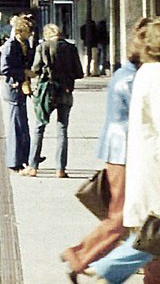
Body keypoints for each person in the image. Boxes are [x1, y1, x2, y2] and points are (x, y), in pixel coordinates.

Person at [62, 18, 145, 279]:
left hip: (119, 149)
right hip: (124, 151)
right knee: (121, 217)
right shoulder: (133, 78)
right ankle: (81, 254)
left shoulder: (125, 73)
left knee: (129, 216)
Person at [86, 17, 160, 283]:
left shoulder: (143, 73)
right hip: (149, 167)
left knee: (152, 238)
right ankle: (108, 266)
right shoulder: (154, 76)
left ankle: (109, 266)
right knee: (150, 234)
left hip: (139, 161)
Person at [22, 23, 84, 178]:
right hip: (65, 90)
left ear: (47, 34)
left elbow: (35, 69)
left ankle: (33, 166)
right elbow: (79, 73)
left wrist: (24, 75)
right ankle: (60, 169)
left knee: (39, 127)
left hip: (47, 92)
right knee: (62, 129)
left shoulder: (43, 47)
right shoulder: (71, 48)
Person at [0, 15, 34, 172]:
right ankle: (14, 160)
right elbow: (5, 69)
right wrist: (23, 72)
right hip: (13, 87)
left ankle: (25, 155)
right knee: (15, 124)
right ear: (20, 31)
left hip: (22, 86)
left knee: (23, 123)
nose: (30, 34)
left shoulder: (25, 44)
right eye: (28, 31)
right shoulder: (10, 46)